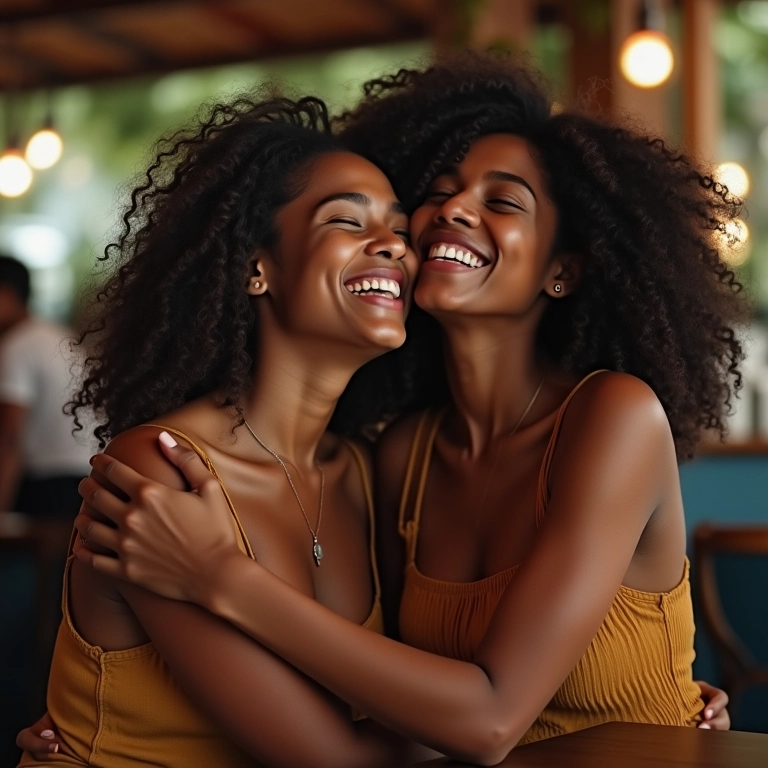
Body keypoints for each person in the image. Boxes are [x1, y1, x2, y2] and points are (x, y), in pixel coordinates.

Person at [19, 56, 734, 762]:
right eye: (439, 192)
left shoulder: (594, 420)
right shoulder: (380, 461)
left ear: (565, 270)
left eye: (503, 201)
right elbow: (392, 721)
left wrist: (221, 578)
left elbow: (472, 718)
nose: (421, 227)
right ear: (254, 267)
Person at [15, 93, 433, 768]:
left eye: (400, 231)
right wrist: (434, 732)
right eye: (347, 222)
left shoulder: (360, 471)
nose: (393, 247)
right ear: (254, 267)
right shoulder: (160, 468)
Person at [0, 256, 92, 516]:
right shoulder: (56, 334)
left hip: (51, 483)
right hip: (89, 473)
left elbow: (8, 437)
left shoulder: (17, 345)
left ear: (6, 295)